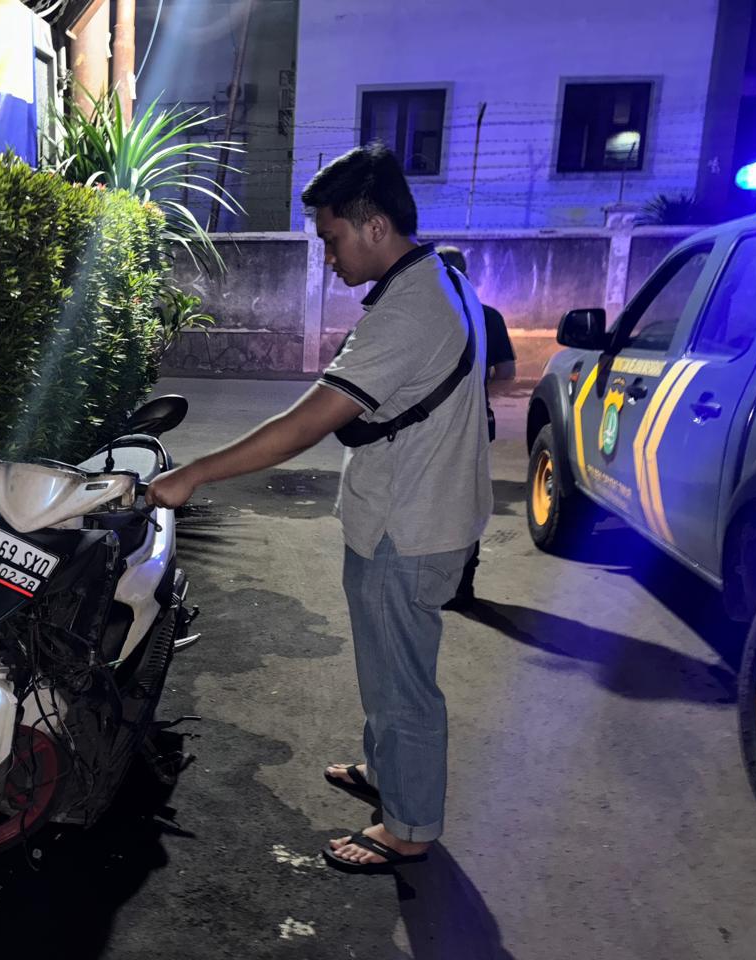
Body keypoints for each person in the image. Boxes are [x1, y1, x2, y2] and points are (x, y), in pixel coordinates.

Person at [146, 143, 492, 874]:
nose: (328, 258)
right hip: (418, 514)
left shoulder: (409, 311)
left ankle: (409, 826)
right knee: (388, 667)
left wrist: (194, 474)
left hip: (408, 527)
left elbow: (306, 423)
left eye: (332, 239)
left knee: (402, 684)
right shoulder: (443, 275)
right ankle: (388, 772)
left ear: (374, 226)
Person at [434, 246, 515, 610]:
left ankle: (436, 583)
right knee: (465, 503)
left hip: (427, 426)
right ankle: (462, 586)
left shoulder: (424, 317)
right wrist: (477, 391)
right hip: (473, 423)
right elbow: (507, 373)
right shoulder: (488, 316)